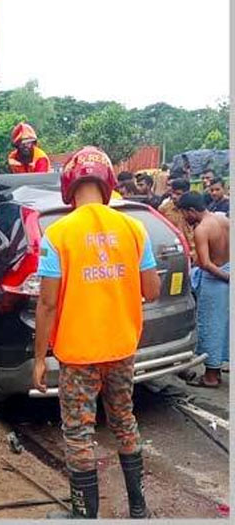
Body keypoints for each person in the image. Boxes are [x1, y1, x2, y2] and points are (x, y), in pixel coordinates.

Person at [32, 146, 159, 519]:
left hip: (78, 355)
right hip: (121, 348)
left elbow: (48, 304)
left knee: (78, 433)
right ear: (108, 184)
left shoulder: (59, 235)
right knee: (124, 422)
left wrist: (39, 359)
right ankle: (139, 509)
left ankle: (85, 515)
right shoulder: (134, 228)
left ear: (69, 186)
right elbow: (150, 291)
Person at [176, 192, 230, 388]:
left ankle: (211, 376)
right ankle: (216, 369)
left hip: (216, 281)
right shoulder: (224, 220)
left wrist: (227, 278)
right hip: (227, 271)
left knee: (211, 327)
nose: (184, 218)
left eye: (184, 214)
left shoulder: (202, 230)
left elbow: (206, 263)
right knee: (224, 326)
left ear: (191, 210)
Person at [158, 178, 197, 262]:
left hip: (193, 253)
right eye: (172, 193)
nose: (174, 196)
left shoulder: (193, 210)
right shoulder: (164, 209)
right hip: (174, 252)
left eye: (178, 194)